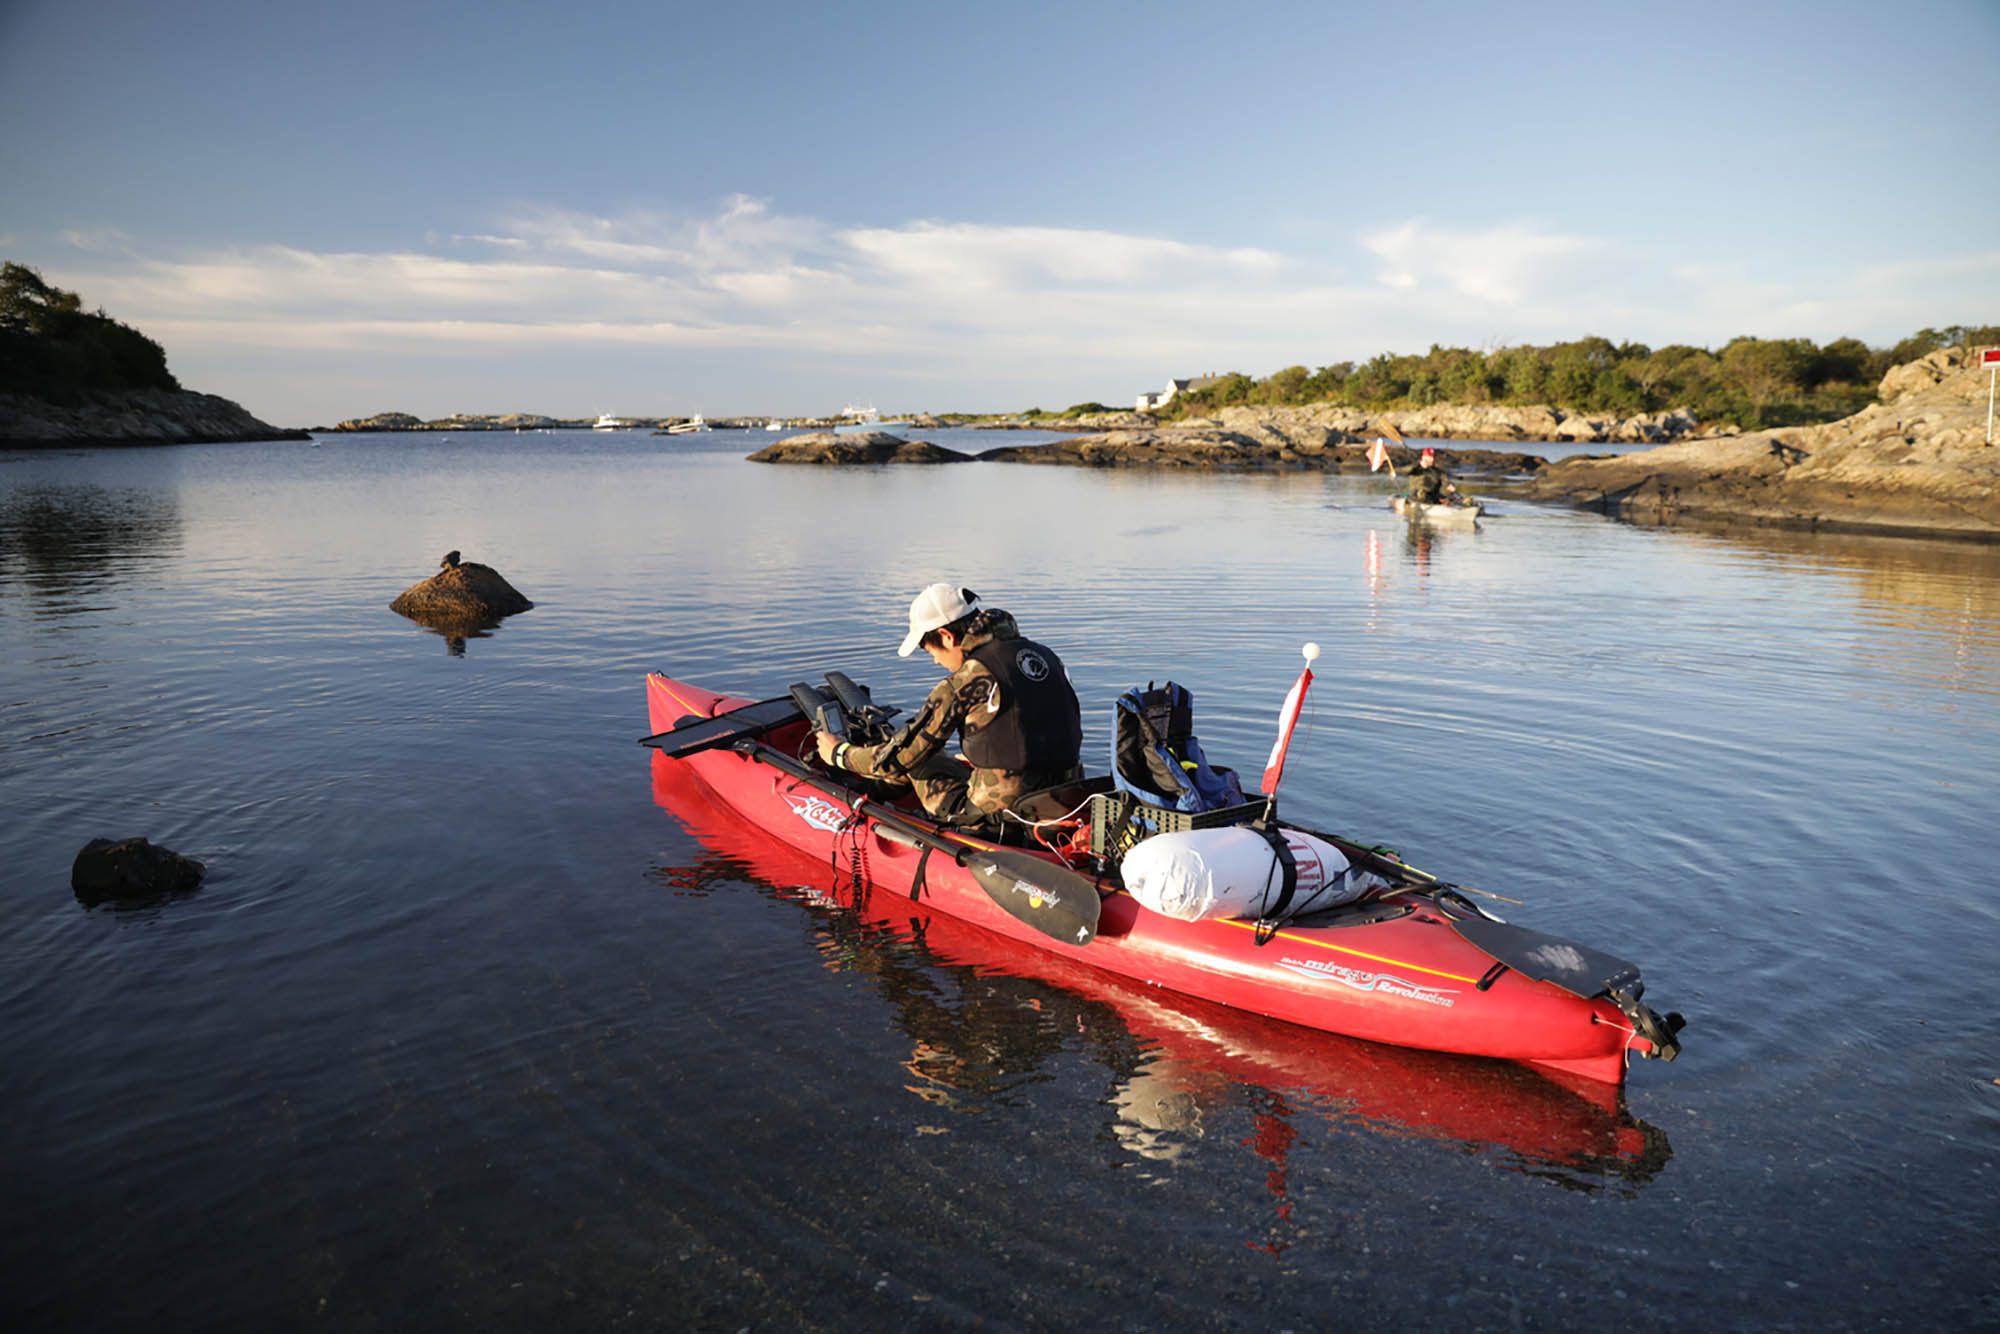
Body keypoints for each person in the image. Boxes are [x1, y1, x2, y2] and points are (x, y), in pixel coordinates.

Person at [816, 583, 1084, 824]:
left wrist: (840, 753)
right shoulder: (1045, 657)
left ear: (946, 636)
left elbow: (900, 757)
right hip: (1065, 800)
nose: (934, 660)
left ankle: (865, 799)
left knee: (916, 760)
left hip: (998, 817)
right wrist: (982, 754)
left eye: (928, 649)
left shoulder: (968, 678)